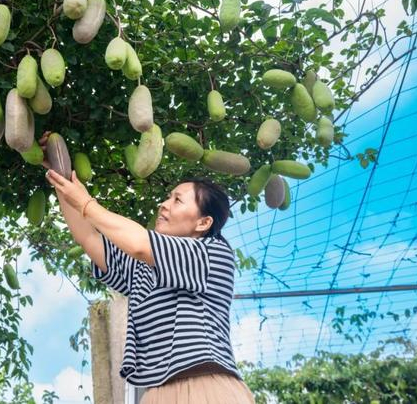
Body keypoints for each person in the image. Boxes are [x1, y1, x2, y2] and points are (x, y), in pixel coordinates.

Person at [40, 131, 255, 404]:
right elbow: (88, 238)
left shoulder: (211, 253)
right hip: (156, 392)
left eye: (177, 200)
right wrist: (61, 176)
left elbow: (139, 243)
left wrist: (86, 202)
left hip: (205, 384)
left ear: (203, 223)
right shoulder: (142, 268)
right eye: (168, 197)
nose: (164, 205)